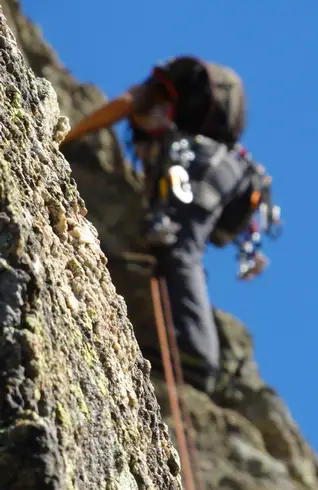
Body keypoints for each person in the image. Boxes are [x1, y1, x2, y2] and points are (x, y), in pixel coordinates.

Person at [61, 56, 274, 392]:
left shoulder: (154, 93)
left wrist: (67, 136)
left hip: (209, 170)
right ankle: (192, 346)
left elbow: (124, 103)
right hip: (226, 176)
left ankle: (196, 356)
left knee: (179, 246)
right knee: (177, 246)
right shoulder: (184, 131)